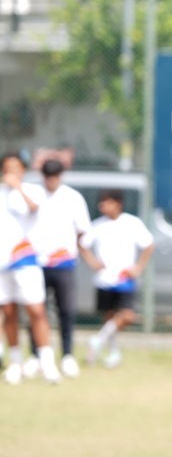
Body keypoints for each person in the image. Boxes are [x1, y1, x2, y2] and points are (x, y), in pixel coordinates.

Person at [79, 189, 155, 369]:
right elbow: (82, 245)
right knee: (109, 317)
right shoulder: (97, 225)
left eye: (106, 202)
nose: (102, 206)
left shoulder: (131, 223)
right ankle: (113, 353)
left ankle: (98, 340)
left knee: (127, 316)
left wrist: (138, 267)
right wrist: (93, 262)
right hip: (104, 279)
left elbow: (149, 245)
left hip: (123, 277)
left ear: (117, 203)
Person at [31, 158, 91, 379]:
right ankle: (36, 355)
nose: (51, 180)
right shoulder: (34, 196)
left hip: (64, 263)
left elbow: (82, 229)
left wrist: (68, 249)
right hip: (37, 262)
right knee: (37, 311)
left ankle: (67, 355)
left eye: (55, 175)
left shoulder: (73, 198)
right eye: (48, 176)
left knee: (66, 310)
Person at [0, 152, 57, 384]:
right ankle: (15, 361)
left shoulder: (32, 190)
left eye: (16, 167)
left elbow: (34, 209)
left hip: (25, 259)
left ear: (22, 170)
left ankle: (47, 362)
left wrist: (18, 188)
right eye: (7, 168)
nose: (11, 171)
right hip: (2, 263)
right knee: (8, 312)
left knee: (36, 310)